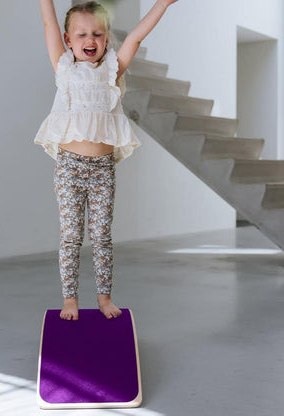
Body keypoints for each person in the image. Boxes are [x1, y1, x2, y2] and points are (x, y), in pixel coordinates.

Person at [34, 0, 179, 320]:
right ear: (68, 40)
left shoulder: (114, 68)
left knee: (101, 236)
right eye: (82, 34)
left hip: (102, 170)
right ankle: (70, 299)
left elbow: (136, 38)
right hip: (69, 167)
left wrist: (163, 4)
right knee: (70, 236)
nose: (90, 40)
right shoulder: (64, 67)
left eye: (98, 34)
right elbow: (48, 25)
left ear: (107, 38)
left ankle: (104, 298)